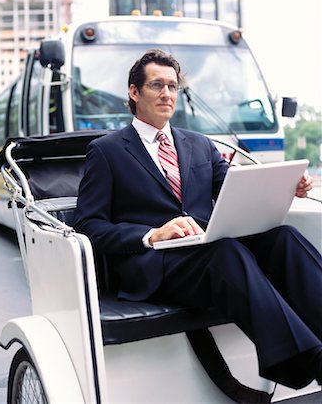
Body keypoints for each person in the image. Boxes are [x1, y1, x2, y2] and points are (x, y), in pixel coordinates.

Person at [74, 49, 322, 390]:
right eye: (157, 85)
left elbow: (240, 189)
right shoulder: (107, 151)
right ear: (134, 92)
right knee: (225, 253)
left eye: (173, 86)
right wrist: (152, 234)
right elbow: (89, 225)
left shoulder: (199, 144)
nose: (167, 94)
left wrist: (286, 186)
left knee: (284, 238)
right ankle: (302, 360)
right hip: (158, 266)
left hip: (206, 253)